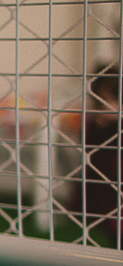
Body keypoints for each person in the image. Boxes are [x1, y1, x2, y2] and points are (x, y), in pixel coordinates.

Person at [72, 63, 121, 245]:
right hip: (100, 185)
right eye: (98, 104)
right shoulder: (94, 123)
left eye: (106, 103)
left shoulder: (116, 127)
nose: (101, 111)